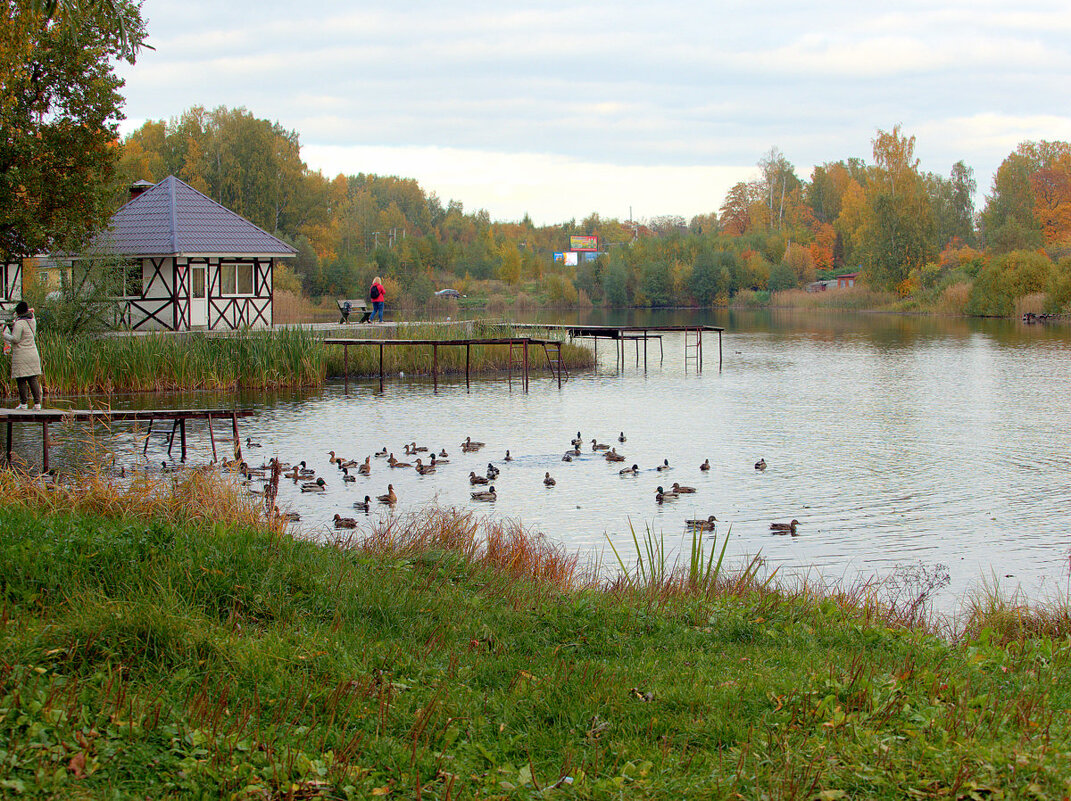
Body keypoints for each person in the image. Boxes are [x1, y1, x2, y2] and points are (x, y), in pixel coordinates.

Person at [4, 301, 42, 410]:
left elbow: (15, 339)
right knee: (33, 378)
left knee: (21, 379)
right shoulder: (32, 321)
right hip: (33, 353)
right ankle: (37, 404)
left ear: (18, 312)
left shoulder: (19, 323)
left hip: (22, 354)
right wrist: (30, 311)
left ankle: (24, 404)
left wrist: (5, 336)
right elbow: (31, 314)